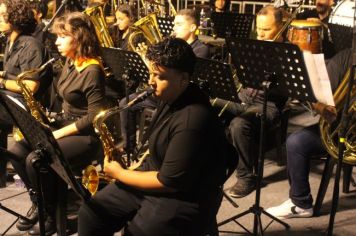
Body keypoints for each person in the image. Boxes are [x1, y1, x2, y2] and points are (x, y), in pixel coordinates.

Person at [78, 37, 236, 236]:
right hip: (157, 175)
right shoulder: (172, 95)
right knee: (91, 214)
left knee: (136, 232)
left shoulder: (193, 119)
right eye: (151, 73)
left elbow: (167, 183)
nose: (151, 82)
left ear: (184, 79)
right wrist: (128, 166)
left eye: (159, 76)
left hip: (184, 196)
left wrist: (119, 173)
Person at [7, 11, 106, 235]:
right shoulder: (70, 62)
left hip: (85, 135)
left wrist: (57, 134)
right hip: (64, 126)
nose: (57, 41)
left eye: (63, 37)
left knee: (36, 159)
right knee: (17, 150)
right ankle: (39, 201)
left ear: (79, 37)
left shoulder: (91, 69)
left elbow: (94, 116)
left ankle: (50, 215)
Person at [266, 48, 352, 219]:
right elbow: (320, 96)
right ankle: (300, 203)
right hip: (339, 130)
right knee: (297, 142)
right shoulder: (346, 58)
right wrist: (321, 107)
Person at [212, 5, 286, 198]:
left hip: (267, 105)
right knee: (208, 104)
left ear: (281, 26)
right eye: (259, 29)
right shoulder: (253, 46)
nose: (261, 34)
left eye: (267, 29)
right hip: (243, 98)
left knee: (239, 124)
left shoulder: (288, 53)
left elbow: (287, 92)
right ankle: (210, 162)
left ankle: (246, 177)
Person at [119, 8, 210, 153]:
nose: (174, 28)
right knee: (125, 103)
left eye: (179, 24)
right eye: (174, 24)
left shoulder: (200, 49)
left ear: (193, 28)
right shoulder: (170, 45)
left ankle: (157, 149)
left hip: (178, 94)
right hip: (160, 90)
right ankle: (129, 147)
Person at [0, 0, 52, 186]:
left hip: (25, 106)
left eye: (2, 15)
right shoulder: (10, 41)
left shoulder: (30, 45)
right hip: (9, 99)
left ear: (14, 18)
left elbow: (30, 86)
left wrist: (3, 81)